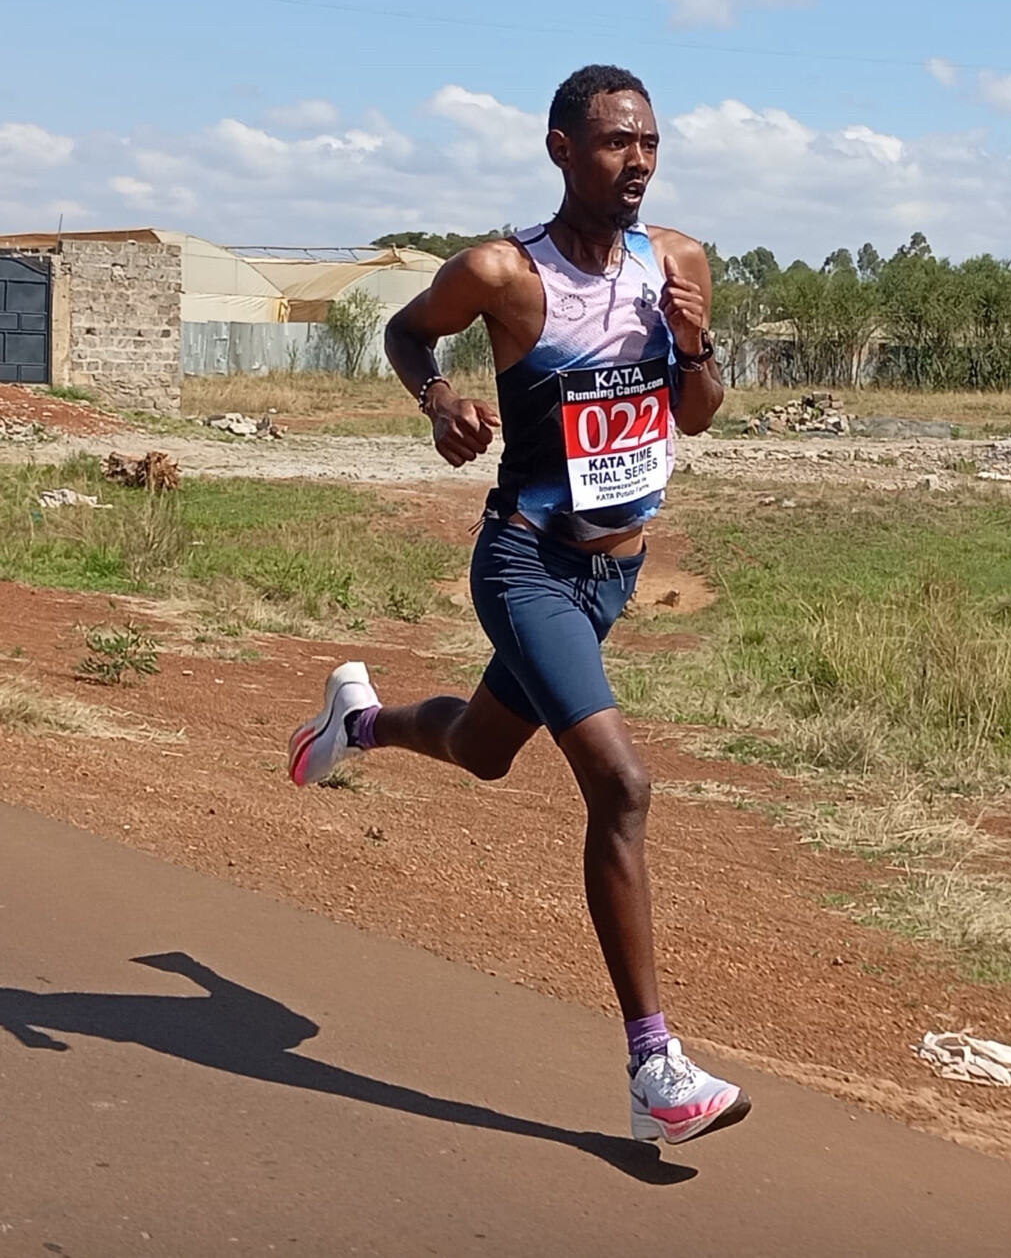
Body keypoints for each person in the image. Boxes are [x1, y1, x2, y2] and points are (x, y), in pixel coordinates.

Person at [287, 64, 750, 1146]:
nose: (637, 162)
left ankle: (359, 721)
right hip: (527, 564)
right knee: (622, 786)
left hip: (614, 573)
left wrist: (694, 341)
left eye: (650, 143)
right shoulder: (502, 272)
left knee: (485, 749)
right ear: (560, 148)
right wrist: (438, 397)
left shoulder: (679, 262)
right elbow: (407, 333)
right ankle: (654, 1069)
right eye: (615, 142)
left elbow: (699, 415)